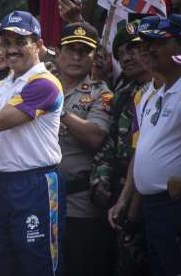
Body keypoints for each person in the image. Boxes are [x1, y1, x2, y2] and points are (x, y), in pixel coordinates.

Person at [0, 11, 65, 276]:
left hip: (34, 185)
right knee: (3, 263)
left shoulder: (45, 83)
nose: (11, 49)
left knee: (37, 263)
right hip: (0, 185)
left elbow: (0, 121)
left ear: (38, 45)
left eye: (20, 41)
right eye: (7, 41)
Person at [92, 19, 154, 276]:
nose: (127, 57)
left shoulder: (167, 87)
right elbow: (109, 143)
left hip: (156, 194)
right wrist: (100, 177)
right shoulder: (122, 95)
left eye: (133, 48)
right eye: (120, 54)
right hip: (122, 194)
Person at [55, 22, 115, 276]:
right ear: (58, 52)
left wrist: (58, 109)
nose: (77, 56)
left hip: (81, 204)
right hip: (43, 201)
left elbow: (95, 137)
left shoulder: (102, 93)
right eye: (71, 49)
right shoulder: (41, 85)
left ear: (94, 56)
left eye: (84, 51)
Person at [132, 14, 181, 276]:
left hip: (175, 205)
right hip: (153, 207)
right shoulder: (151, 95)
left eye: (159, 42)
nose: (150, 48)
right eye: (148, 42)